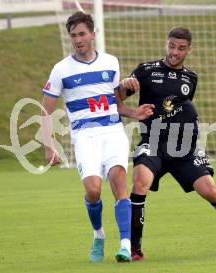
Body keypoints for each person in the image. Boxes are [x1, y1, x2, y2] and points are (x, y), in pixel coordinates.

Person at [116, 27, 216, 261]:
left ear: (189, 50)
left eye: (181, 48)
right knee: (140, 182)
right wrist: (123, 86)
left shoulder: (191, 78)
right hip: (153, 141)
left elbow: (183, 106)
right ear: (166, 44)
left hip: (183, 147)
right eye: (172, 46)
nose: (175, 52)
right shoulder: (145, 71)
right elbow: (117, 97)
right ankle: (135, 249)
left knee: (210, 191)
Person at [41, 11, 153, 263]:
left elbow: (116, 105)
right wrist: (49, 147)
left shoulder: (111, 63)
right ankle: (99, 236)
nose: (78, 39)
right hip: (84, 135)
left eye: (82, 34)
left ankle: (125, 245)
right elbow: (44, 111)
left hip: (112, 131)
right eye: (73, 36)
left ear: (93, 34)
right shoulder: (61, 70)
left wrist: (134, 113)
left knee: (118, 182)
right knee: (93, 190)